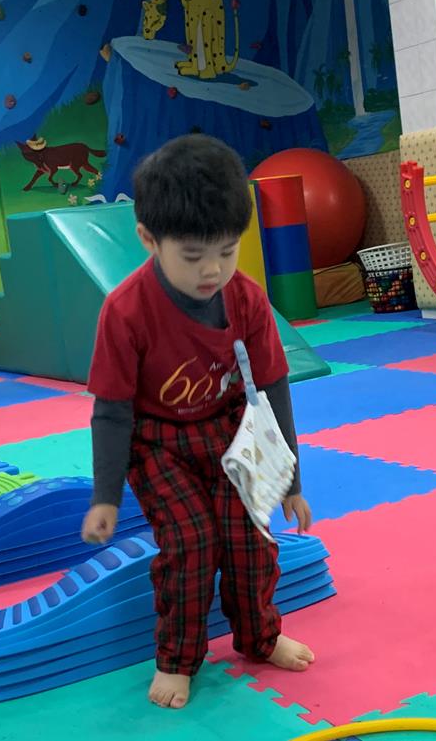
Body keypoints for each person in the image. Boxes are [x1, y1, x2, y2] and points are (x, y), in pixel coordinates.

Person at [80, 134, 314, 710]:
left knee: (251, 536)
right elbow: (111, 410)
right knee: (191, 542)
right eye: (192, 256)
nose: (213, 270)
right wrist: (106, 496)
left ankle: (260, 637)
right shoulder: (125, 311)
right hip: (156, 441)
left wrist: (290, 480)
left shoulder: (247, 300)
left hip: (230, 428)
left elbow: (272, 389)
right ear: (148, 239)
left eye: (228, 251)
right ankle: (178, 658)